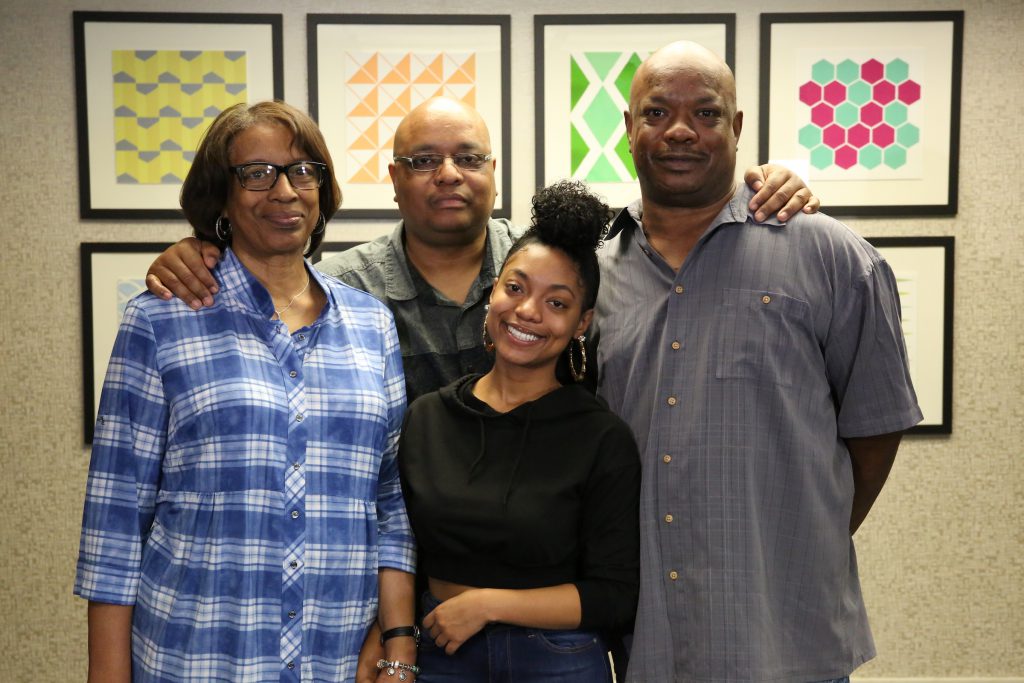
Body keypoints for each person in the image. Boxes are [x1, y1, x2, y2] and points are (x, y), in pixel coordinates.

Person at [594, 42, 923, 682]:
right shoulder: (592, 271)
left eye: (707, 113)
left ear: (738, 127)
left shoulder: (834, 257)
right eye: (657, 112)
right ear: (629, 128)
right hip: (643, 638)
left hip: (787, 634)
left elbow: (876, 429)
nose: (681, 131)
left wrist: (803, 536)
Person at [143, 97, 821, 405]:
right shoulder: (340, 293)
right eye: (423, 159)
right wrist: (200, 248)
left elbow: (671, 226)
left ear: (494, 172)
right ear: (393, 177)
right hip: (396, 581)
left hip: (546, 577)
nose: (448, 175)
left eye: (468, 157)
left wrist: (772, 179)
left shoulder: (552, 265)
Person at [74, 101, 417, 682]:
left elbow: (389, 506)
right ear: (222, 197)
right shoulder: (160, 321)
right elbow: (114, 527)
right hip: (195, 660)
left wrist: (399, 650)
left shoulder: (371, 325)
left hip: (335, 664)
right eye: (257, 173)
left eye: (303, 170)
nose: (284, 190)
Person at [399, 180, 640, 682]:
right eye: (516, 288)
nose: (528, 311)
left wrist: (487, 605)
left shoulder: (600, 437)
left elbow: (615, 594)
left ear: (582, 322)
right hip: (440, 652)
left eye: (557, 302)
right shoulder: (427, 418)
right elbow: (397, 547)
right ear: (493, 292)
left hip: (556, 658)